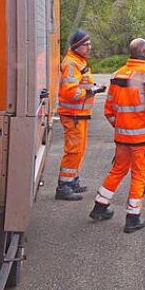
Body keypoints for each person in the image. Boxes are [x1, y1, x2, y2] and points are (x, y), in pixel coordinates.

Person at [88, 37, 145, 231]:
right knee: (139, 175)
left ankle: (100, 206)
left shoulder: (118, 74)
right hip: (142, 139)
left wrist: (122, 126)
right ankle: (133, 217)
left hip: (122, 138)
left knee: (118, 170)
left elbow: (109, 110)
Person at [55, 29, 106, 200]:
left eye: (90, 43)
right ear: (77, 46)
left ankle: (72, 180)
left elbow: (80, 86)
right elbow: (70, 91)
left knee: (79, 149)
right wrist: (91, 91)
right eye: (86, 44)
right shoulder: (71, 63)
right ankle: (63, 187)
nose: (89, 47)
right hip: (73, 114)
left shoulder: (78, 61)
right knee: (73, 150)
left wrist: (93, 88)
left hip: (79, 114)